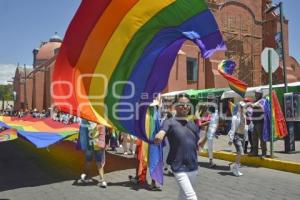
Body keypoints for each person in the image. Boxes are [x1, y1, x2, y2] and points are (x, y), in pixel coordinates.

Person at [154, 93, 207, 200]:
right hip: (178, 166)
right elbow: (161, 133)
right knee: (192, 197)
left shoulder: (192, 124)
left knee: (183, 195)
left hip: (193, 166)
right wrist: (159, 135)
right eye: (182, 104)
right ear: (175, 105)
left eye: (187, 104)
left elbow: (198, 145)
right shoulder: (169, 122)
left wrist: (208, 136)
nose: (185, 107)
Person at [79, 119, 107, 188]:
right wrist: (102, 145)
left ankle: (88, 178)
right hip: (98, 145)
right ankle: (102, 180)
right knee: (99, 162)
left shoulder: (86, 123)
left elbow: (83, 134)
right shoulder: (101, 123)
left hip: (89, 145)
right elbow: (102, 136)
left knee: (88, 161)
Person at [228, 101, 248, 176]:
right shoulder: (235, 117)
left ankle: (234, 167)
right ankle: (235, 168)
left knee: (240, 153)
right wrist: (231, 139)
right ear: (239, 108)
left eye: (244, 107)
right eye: (241, 107)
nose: (243, 108)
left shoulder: (244, 116)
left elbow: (245, 127)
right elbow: (233, 129)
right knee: (241, 152)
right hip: (236, 136)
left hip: (242, 136)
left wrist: (246, 138)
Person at [250, 88, 267, 157]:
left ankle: (264, 152)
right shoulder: (255, 101)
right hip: (255, 122)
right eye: (255, 93)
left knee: (261, 138)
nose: (255, 94)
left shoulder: (263, 100)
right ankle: (255, 152)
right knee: (254, 138)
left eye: (257, 93)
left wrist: (255, 105)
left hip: (261, 122)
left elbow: (263, 108)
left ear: (260, 94)